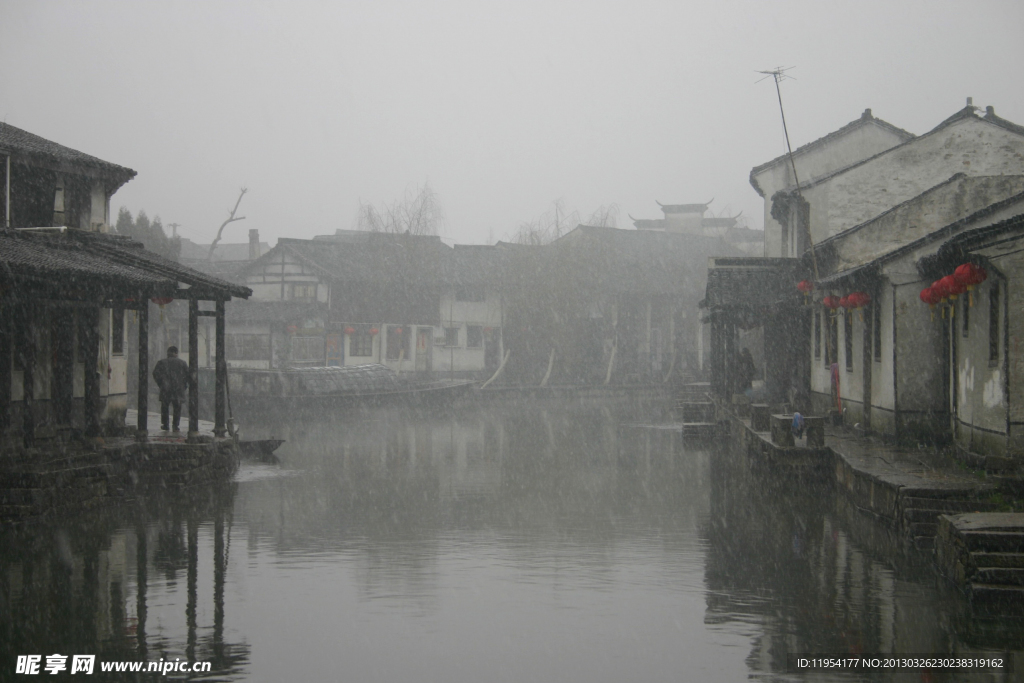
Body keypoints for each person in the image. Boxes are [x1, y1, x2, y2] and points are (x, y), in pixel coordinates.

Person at [153, 346, 190, 432]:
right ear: (176, 353)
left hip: (166, 389)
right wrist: (184, 386)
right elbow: (188, 376)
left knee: (165, 407)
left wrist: (161, 384)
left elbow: (155, 374)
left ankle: (165, 425)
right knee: (177, 407)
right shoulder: (182, 363)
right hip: (178, 389)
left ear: (168, 353)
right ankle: (175, 425)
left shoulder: (161, 362)